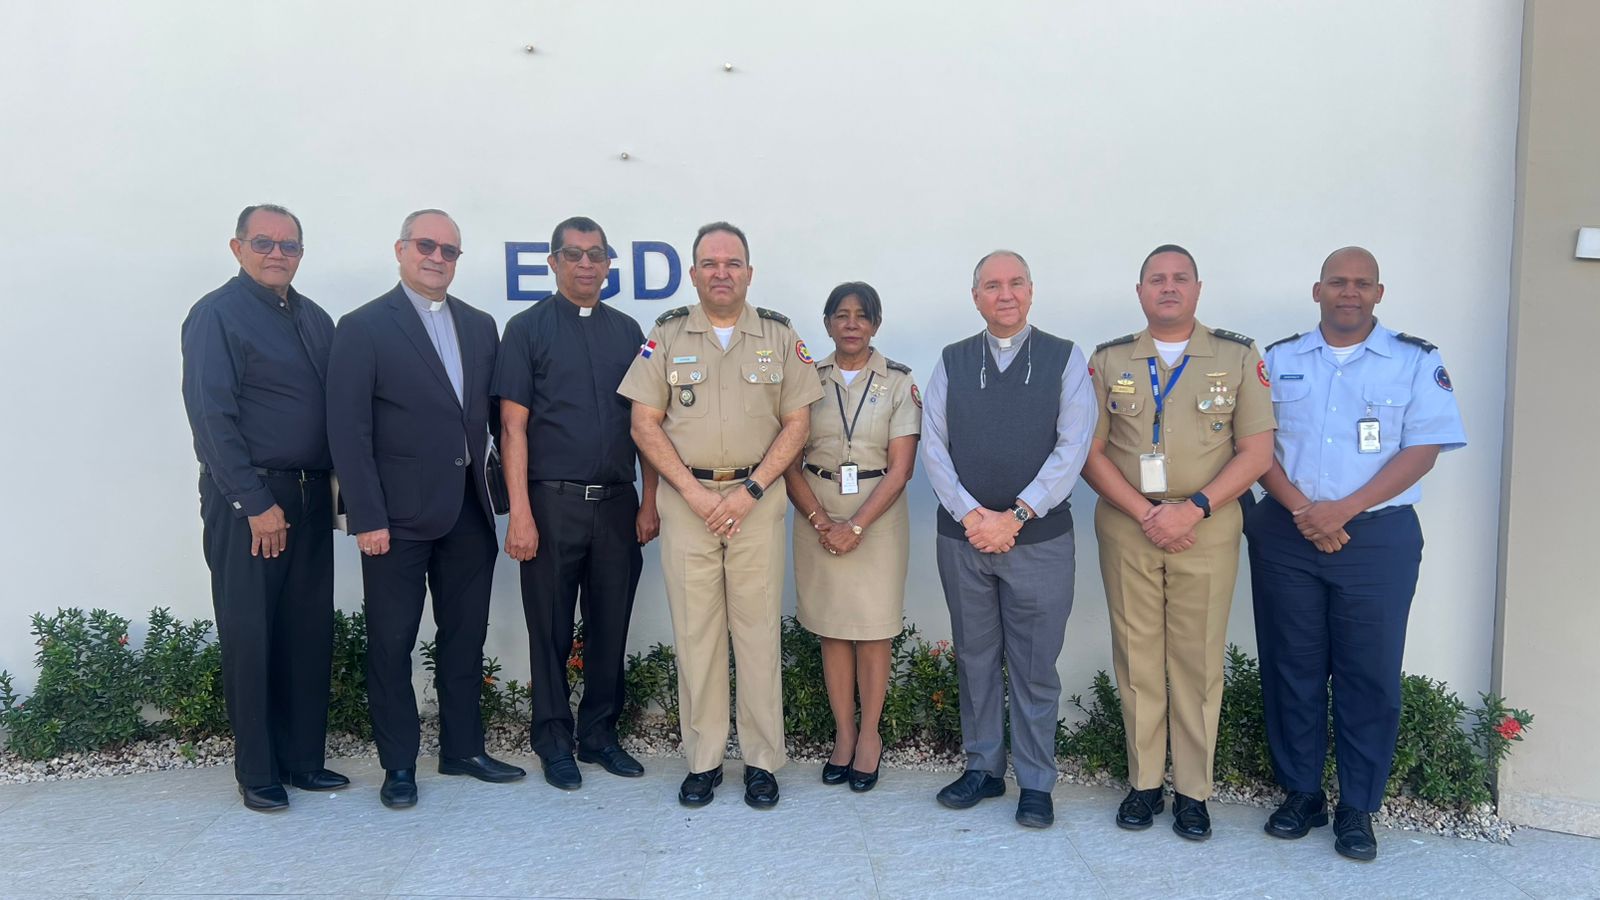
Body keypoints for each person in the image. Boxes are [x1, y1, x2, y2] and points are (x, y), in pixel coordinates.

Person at [1246, 247, 1466, 861]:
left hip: (1376, 538)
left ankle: (1358, 807)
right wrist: (1304, 513)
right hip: (1288, 532)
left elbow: (1422, 449)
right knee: (1292, 667)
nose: (1349, 292)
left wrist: (1338, 511)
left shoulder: (1416, 360)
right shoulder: (1279, 359)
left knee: (1369, 677)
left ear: (1379, 292)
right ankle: (1301, 794)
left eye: (1361, 284)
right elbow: (1257, 449)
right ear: (1317, 290)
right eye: (1338, 282)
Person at [618, 222, 824, 809]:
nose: (722, 272)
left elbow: (797, 423)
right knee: (697, 635)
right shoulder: (666, 335)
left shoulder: (780, 337)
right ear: (693, 273)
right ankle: (704, 760)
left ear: (749, 273)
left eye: (732, 263)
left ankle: (761, 762)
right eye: (710, 263)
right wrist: (698, 495)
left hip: (756, 505)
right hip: (688, 505)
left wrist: (750, 491)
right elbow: (643, 423)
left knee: (757, 634)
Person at [326, 209, 523, 809]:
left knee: (465, 637)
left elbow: (495, 422)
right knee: (391, 644)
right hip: (396, 520)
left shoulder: (480, 325)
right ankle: (398, 766)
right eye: (427, 245)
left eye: (450, 250)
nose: (438, 257)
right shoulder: (361, 327)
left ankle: (463, 749)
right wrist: (366, 518)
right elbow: (348, 430)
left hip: (468, 512)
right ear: (401, 249)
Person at [1082, 244, 1275, 840]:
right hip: (1127, 524)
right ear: (1140, 291)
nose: (1168, 287)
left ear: (1198, 288)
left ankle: (1193, 792)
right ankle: (1144, 784)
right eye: (1156, 279)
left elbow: (1257, 452)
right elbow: (1087, 453)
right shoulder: (1108, 358)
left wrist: (1190, 509)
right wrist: (1146, 512)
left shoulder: (1239, 357)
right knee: (1138, 658)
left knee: (1196, 661)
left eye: (1180, 278)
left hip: (1209, 525)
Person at [920, 250, 1097, 829]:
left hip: (1039, 541)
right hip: (963, 540)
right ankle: (983, 769)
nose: (1005, 294)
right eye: (992, 285)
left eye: (1015, 283)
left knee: (1033, 664)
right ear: (976, 297)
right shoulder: (950, 361)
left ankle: (1037, 782)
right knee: (974, 658)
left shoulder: (1065, 359)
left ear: (1031, 290)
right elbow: (934, 446)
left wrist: (1015, 515)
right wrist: (974, 517)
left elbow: (1072, 449)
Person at [181, 203, 347, 812]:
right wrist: (254, 502)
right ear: (237, 247)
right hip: (251, 500)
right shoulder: (216, 315)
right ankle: (258, 772)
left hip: (309, 496)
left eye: (290, 245)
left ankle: (304, 760)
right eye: (264, 242)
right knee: (252, 634)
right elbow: (211, 416)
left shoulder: (313, 317)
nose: (277, 253)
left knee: (306, 631)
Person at [492, 216, 660, 792]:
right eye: (575, 254)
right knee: (551, 630)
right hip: (550, 503)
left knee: (610, 626)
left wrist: (649, 501)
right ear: (554, 262)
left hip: (618, 504)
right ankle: (553, 738)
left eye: (597, 255)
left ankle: (599, 735)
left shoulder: (627, 329)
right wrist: (521, 512)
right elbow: (512, 428)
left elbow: (648, 424)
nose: (586, 264)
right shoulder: (526, 329)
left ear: (610, 264)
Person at [782, 282, 921, 794]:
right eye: (840, 315)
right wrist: (822, 521)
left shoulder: (900, 382)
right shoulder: (805, 381)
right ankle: (842, 734)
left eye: (862, 316)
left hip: (878, 518)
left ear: (876, 324)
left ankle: (869, 736)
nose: (851, 323)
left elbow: (902, 468)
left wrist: (856, 525)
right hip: (816, 511)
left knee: (874, 630)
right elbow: (788, 461)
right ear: (827, 323)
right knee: (833, 630)